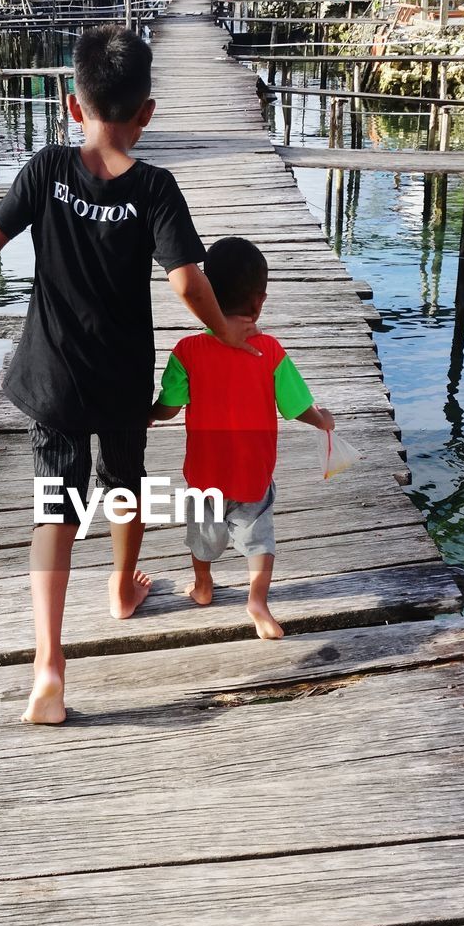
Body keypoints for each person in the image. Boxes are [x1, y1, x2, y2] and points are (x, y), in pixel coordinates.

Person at [0, 26, 256, 724]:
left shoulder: (46, 169)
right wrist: (223, 331)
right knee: (124, 483)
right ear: (147, 113)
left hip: (51, 376)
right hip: (120, 380)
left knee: (54, 507)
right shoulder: (156, 188)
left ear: (73, 107)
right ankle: (119, 589)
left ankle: (49, 662)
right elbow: (186, 281)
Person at [152, 237, 335, 641]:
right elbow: (297, 407)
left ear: (207, 297)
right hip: (252, 476)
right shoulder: (269, 352)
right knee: (259, 542)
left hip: (205, 476)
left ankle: (203, 586)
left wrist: (145, 415)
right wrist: (321, 420)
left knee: (202, 538)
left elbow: (168, 407)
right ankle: (257, 602)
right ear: (259, 302)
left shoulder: (187, 351)